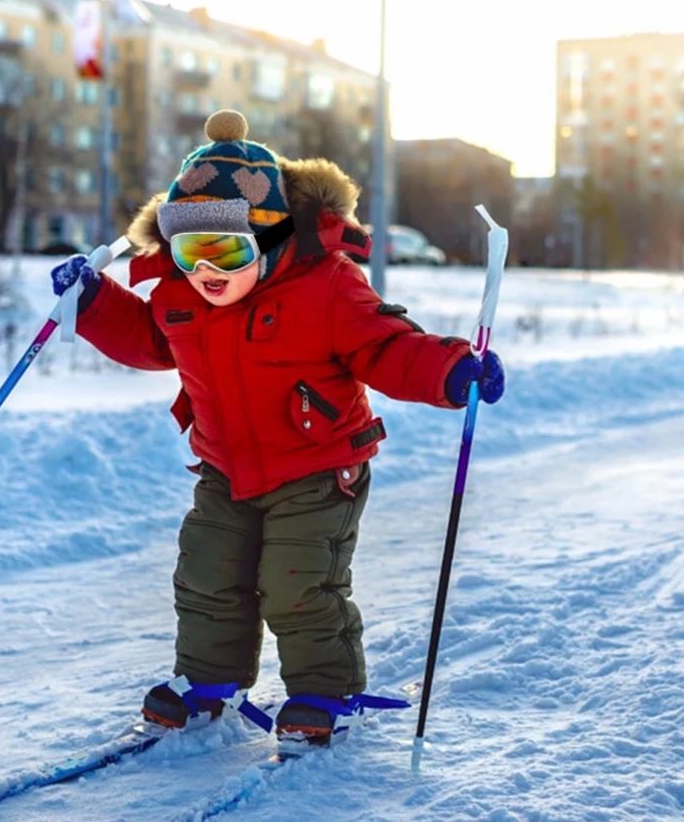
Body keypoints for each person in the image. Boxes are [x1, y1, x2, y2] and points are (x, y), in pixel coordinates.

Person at [51, 110, 504, 747]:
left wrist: (451, 371)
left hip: (319, 470)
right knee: (207, 576)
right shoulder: (183, 294)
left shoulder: (327, 289)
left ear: (269, 237)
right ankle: (209, 684)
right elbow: (151, 340)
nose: (207, 268)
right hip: (224, 468)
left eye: (228, 249)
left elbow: (387, 347)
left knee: (298, 586)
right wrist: (94, 301)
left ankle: (325, 691)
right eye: (189, 250)